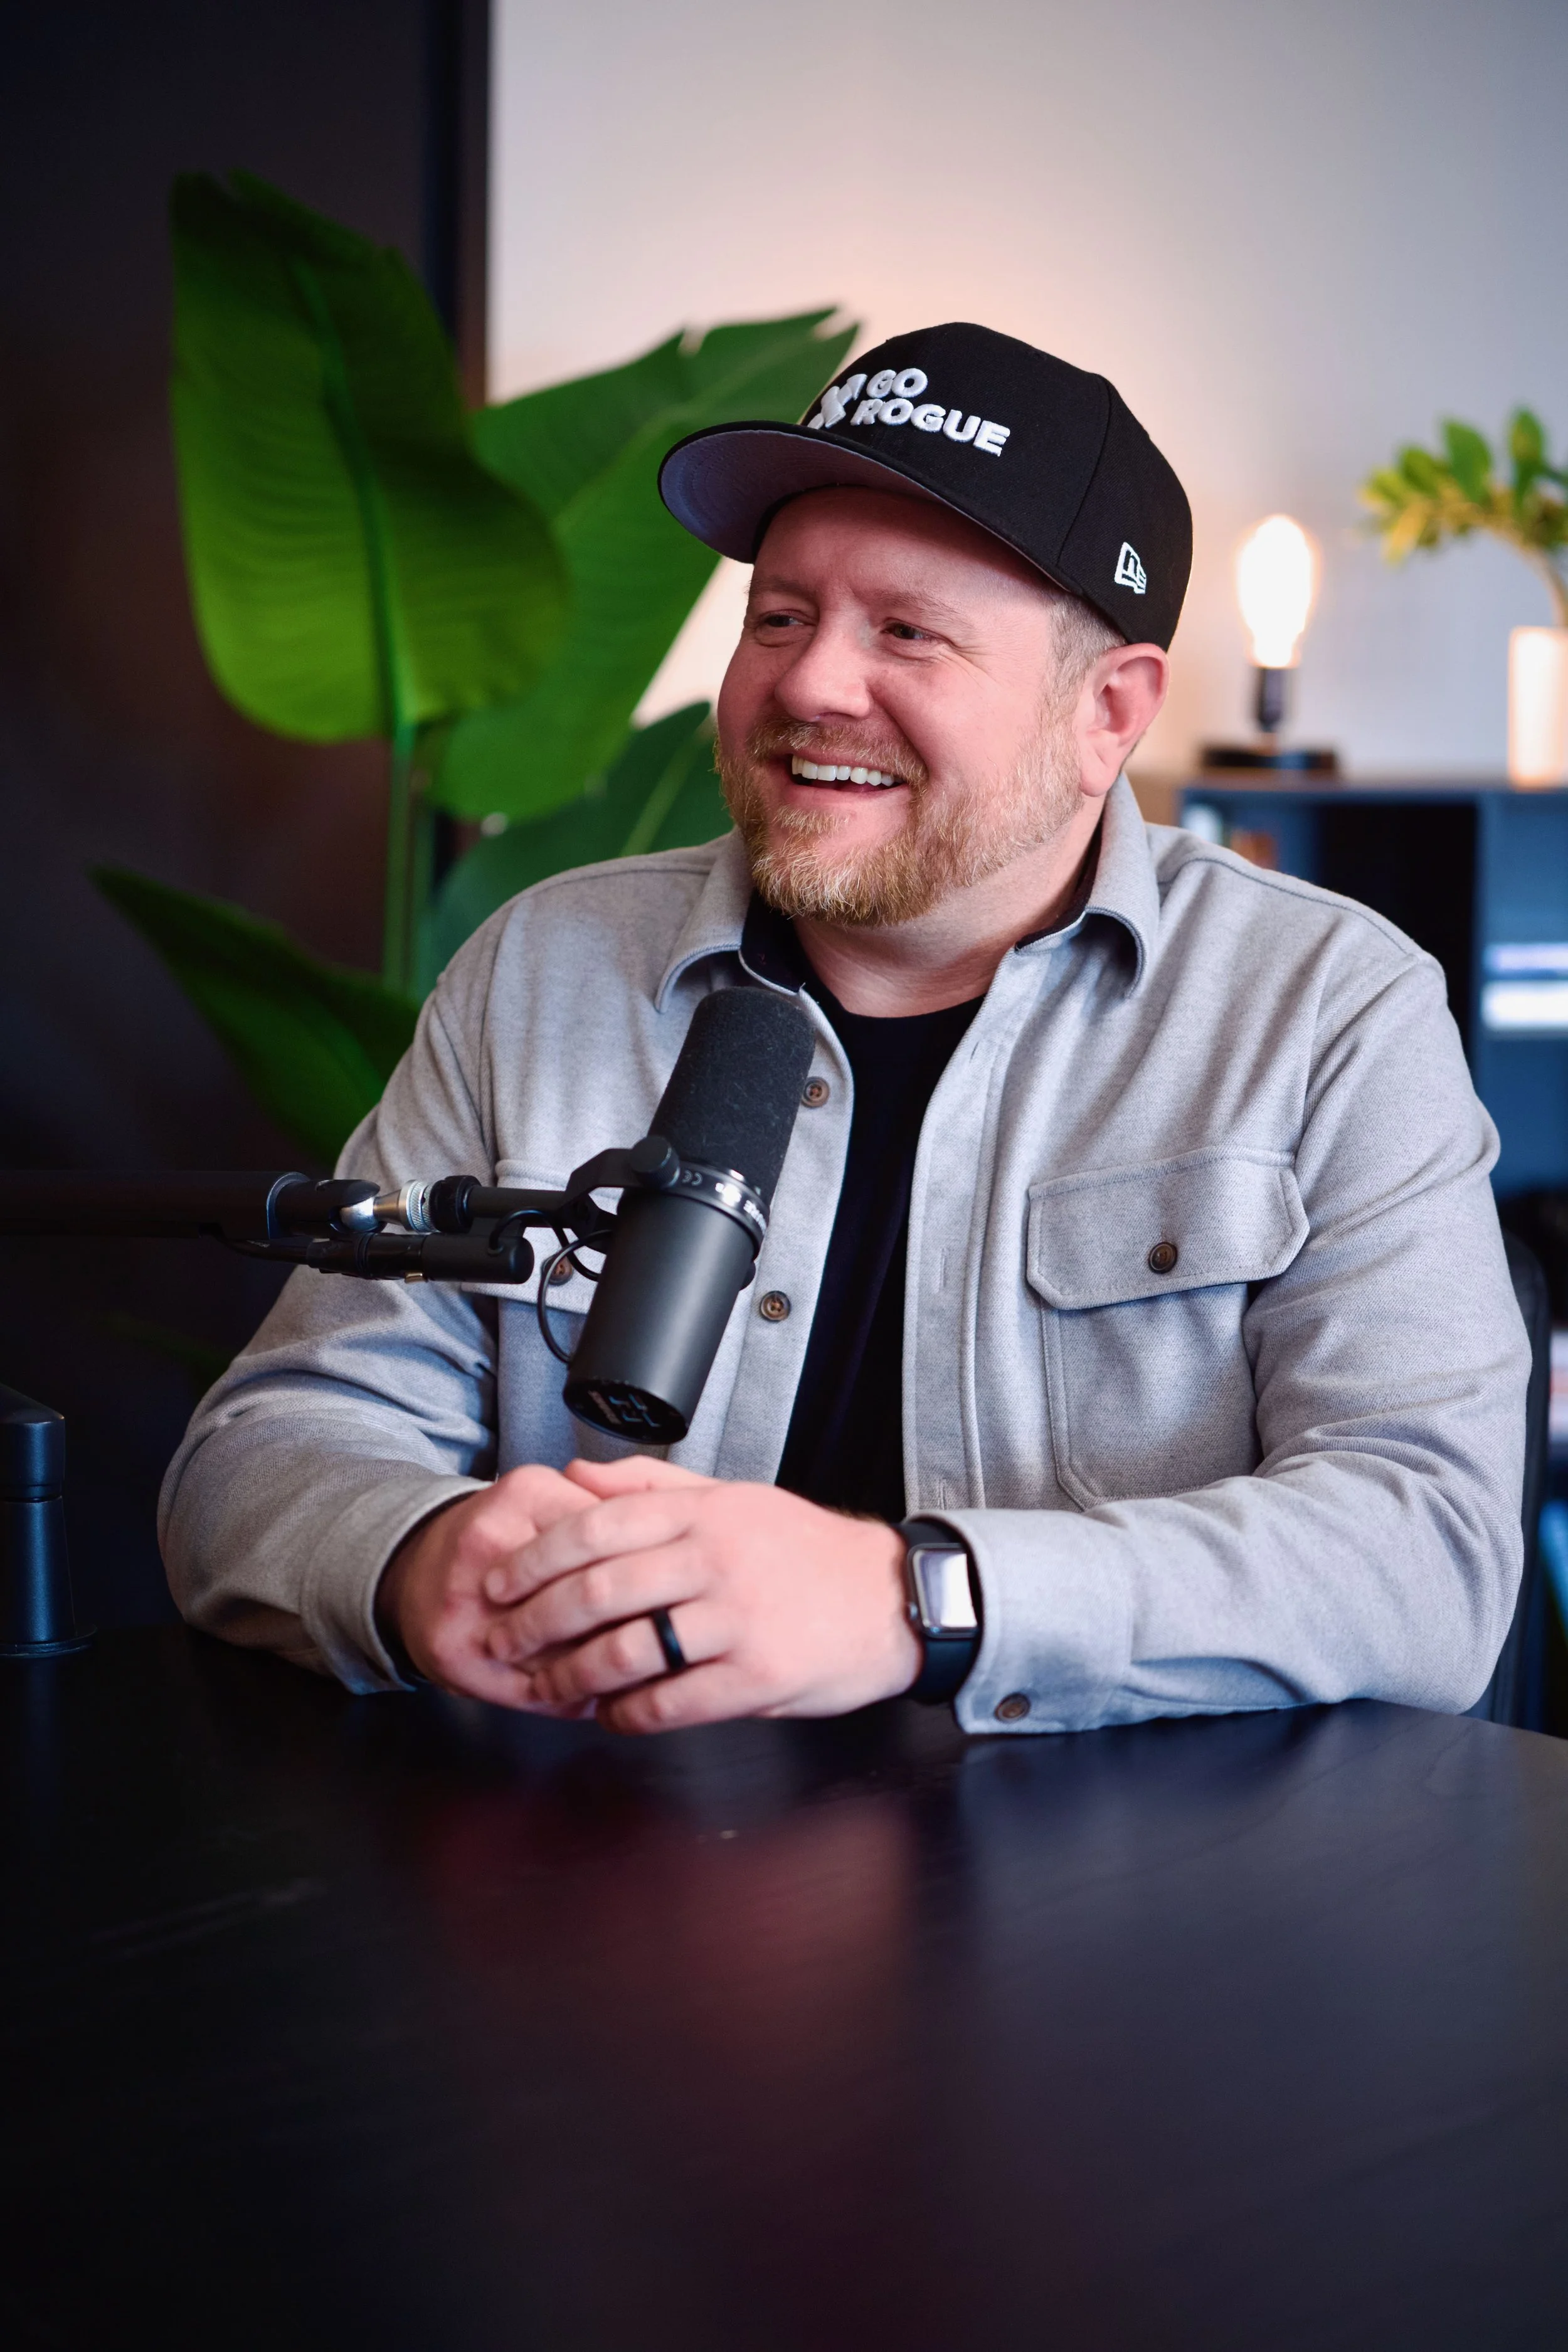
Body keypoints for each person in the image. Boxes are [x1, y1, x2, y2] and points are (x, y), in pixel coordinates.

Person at [161, 322, 1529, 1737]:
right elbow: (265, 1452)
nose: (810, 684)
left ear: (1105, 715)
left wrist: (913, 1599)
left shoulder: (1324, 1011)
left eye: (906, 632)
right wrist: (416, 1564)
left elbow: (1427, 1553)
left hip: (1132, 1901)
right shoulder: (544, 970)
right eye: (778, 616)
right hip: (599, 1876)